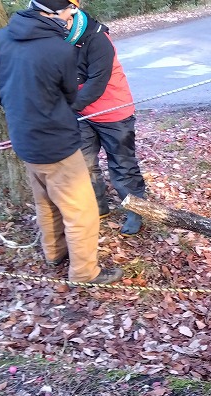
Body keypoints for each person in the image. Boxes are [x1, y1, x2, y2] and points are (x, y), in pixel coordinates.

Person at [0, 0, 123, 284]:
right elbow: (71, 96)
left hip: (24, 141)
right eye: (70, 12)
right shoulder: (59, 49)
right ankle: (85, 272)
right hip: (57, 144)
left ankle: (54, 253)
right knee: (81, 211)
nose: (72, 16)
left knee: (45, 202)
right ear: (55, 13)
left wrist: (21, 112)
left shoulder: (0, 37)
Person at [68, 4, 146, 236]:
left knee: (122, 165)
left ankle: (136, 210)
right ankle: (97, 204)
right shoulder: (53, 37)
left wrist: (66, 108)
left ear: (71, 11)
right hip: (81, 114)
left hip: (113, 111)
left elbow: (97, 83)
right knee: (83, 163)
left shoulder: (98, 39)